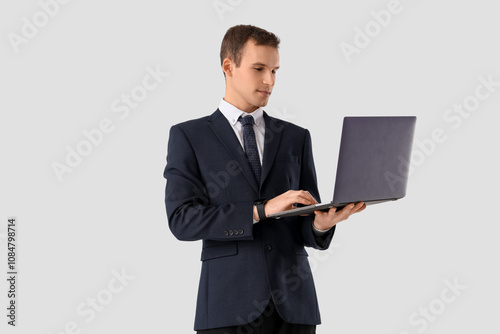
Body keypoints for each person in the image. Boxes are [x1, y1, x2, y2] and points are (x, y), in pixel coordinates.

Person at [163, 24, 366, 334]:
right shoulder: (190, 136)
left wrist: (320, 226)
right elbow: (182, 220)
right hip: (228, 307)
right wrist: (260, 210)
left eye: (275, 70)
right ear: (228, 66)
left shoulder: (295, 137)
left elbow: (304, 217)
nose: (269, 80)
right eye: (259, 68)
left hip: (294, 309)